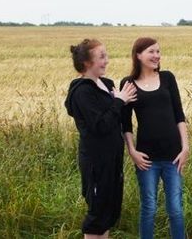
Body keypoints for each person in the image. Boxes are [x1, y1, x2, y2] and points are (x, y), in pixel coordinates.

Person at [65, 39, 137, 238]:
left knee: (109, 212)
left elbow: (117, 118)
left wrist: (121, 101)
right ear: (87, 63)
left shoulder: (106, 84)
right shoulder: (82, 92)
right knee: (97, 213)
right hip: (96, 162)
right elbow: (100, 125)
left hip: (112, 158)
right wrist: (119, 101)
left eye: (106, 55)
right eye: (102, 57)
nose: (107, 60)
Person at [120, 37, 190, 239]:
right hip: (146, 159)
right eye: (151, 51)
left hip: (173, 156)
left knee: (175, 208)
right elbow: (125, 123)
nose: (157, 56)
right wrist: (132, 151)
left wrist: (185, 147)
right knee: (148, 207)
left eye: (158, 52)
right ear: (138, 55)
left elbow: (179, 114)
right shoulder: (129, 83)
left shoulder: (168, 78)